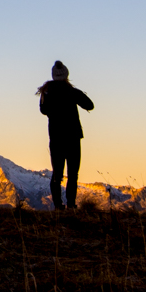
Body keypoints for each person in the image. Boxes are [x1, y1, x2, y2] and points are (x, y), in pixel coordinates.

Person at [37, 60, 94, 210]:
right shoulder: (72, 92)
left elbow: (43, 110)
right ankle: (71, 204)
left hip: (56, 138)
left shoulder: (47, 92)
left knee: (57, 174)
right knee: (73, 173)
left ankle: (58, 205)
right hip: (73, 137)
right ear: (66, 75)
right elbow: (90, 105)